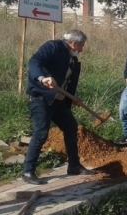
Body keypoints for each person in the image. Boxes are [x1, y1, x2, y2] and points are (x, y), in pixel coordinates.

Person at [23, 29, 96, 185]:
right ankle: (28, 171)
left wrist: (73, 98)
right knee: (41, 133)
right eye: (81, 45)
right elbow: (34, 62)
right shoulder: (53, 47)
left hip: (59, 101)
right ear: (73, 43)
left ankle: (74, 166)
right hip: (41, 98)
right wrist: (43, 78)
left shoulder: (72, 59)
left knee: (71, 127)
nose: (82, 49)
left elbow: (66, 81)